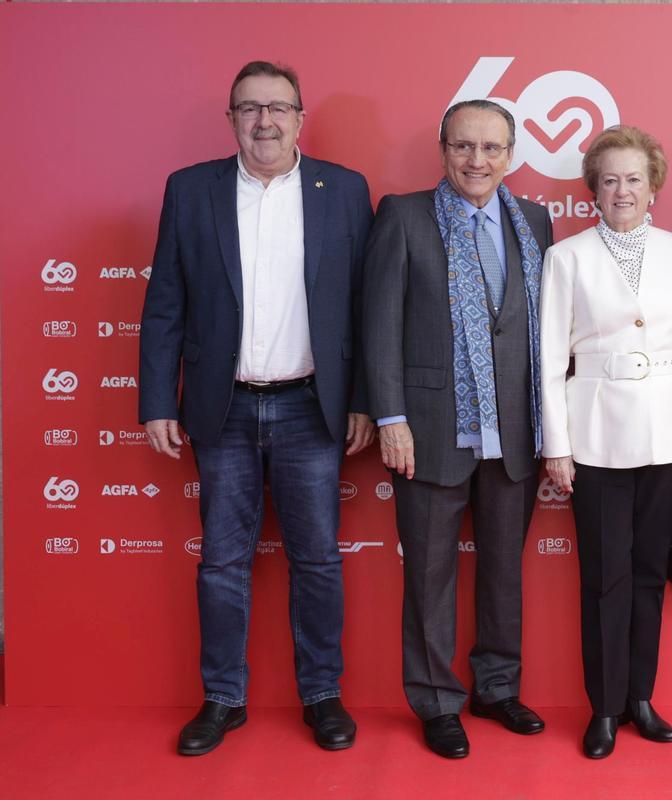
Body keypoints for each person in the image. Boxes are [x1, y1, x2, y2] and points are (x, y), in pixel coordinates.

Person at [138, 61, 375, 755]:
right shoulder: (190, 191)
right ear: (232, 119)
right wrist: (158, 398)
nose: (264, 121)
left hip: (311, 409)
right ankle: (222, 699)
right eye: (248, 108)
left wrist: (362, 399)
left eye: (277, 107)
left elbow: (364, 308)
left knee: (318, 562)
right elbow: (165, 306)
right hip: (223, 409)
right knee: (221, 562)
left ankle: (323, 695)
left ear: (301, 118)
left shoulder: (345, 191)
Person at [362, 100, 554, 759]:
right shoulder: (404, 215)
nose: (478, 161)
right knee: (430, 577)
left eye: (492, 148)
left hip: (517, 432)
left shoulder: (534, 222)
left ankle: (497, 689)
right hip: (432, 428)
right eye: (464, 147)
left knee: (504, 571)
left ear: (511, 154)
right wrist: (392, 418)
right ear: (443, 149)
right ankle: (438, 701)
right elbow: (379, 325)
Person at [540, 126, 672, 759]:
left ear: (654, 187)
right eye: (610, 178)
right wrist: (556, 445)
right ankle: (606, 708)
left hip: (668, 433)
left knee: (648, 572)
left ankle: (642, 697)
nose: (622, 190)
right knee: (604, 576)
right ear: (593, 189)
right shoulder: (567, 258)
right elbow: (548, 361)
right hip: (594, 437)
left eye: (634, 178)